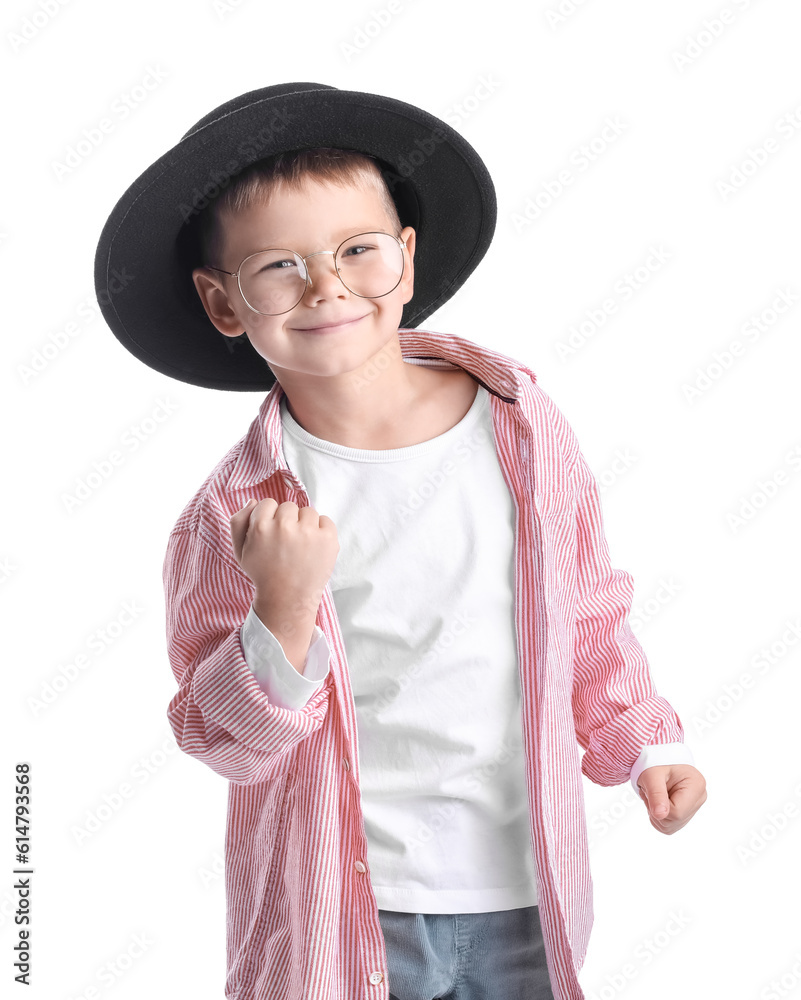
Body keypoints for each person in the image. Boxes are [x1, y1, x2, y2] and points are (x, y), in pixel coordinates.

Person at [94, 82, 707, 1000]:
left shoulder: (521, 427)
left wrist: (643, 741)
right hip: (340, 915)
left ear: (406, 260)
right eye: (278, 268)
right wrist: (281, 608)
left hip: (523, 896)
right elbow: (220, 742)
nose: (327, 286)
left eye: (355, 251)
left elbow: (584, 609)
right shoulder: (231, 514)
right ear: (225, 305)